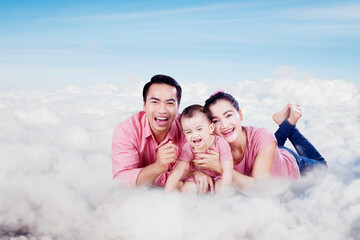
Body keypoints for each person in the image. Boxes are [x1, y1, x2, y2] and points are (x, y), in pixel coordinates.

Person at [191, 91, 327, 191]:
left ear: (241, 115)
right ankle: (284, 123)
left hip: (290, 162)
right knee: (271, 145)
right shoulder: (212, 145)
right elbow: (185, 165)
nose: (224, 125)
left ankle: (289, 124)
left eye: (228, 115)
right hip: (269, 153)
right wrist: (197, 173)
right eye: (216, 120)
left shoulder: (262, 137)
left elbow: (261, 189)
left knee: (322, 166)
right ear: (211, 126)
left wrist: (221, 168)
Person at [111, 74, 187, 188]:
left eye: (170, 103)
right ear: (144, 104)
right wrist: (158, 167)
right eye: (155, 102)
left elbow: (202, 169)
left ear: (178, 107)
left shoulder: (188, 128)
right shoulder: (126, 131)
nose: (162, 110)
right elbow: (121, 182)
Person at [164, 105, 233, 194]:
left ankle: (219, 204)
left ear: (211, 128)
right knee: (188, 189)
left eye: (199, 129)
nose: (195, 135)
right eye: (189, 132)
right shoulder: (188, 147)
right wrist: (165, 196)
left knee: (221, 188)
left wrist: (223, 195)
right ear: (184, 133)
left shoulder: (221, 144)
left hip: (218, 177)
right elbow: (177, 172)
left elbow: (228, 170)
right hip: (197, 177)